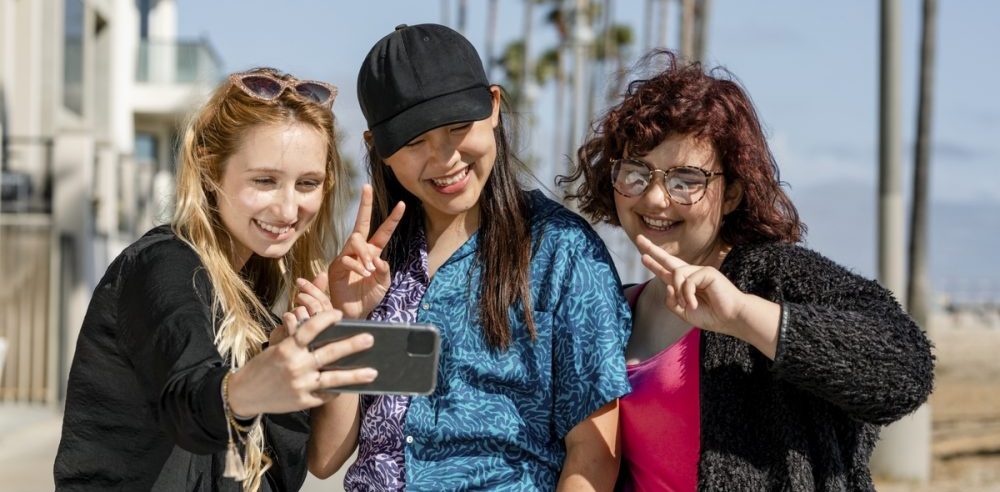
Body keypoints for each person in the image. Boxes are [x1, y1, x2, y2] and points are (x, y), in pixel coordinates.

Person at [562, 51, 935, 491]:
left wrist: (743, 316)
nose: (656, 199)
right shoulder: (616, 308)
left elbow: (906, 368)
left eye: (685, 180)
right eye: (636, 173)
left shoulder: (774, 276)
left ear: (733, 193)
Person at [308, 24, 631, 490]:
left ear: (494, 107)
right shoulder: (375, 265)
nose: (444, 159)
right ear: (379, 151)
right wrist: (345, 322)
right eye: (415, 142)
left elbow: (595, 455)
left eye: (459, 127)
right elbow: (326, 458)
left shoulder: (563, 252)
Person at [54, 68, 379, 491]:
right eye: (264, 180)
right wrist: (243, 391)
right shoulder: (164, 265)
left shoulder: (257, 303)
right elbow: (187, 395)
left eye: (307, 184)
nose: (287, 208)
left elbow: (320, 461)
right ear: (211, 170)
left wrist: (342, 322)